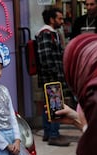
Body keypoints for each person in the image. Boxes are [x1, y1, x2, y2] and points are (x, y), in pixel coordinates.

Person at [36, 7, 70, 146]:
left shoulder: (51, 33)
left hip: (50, 76)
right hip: (51, 77)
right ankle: (53, 135)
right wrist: (55, 74)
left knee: (49, 105)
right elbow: (45, 57)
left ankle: (48, 133)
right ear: (52, 19)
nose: (62, 21)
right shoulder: (46, 34)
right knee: (55, 105)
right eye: (59, 19)